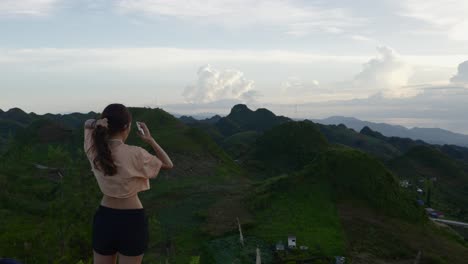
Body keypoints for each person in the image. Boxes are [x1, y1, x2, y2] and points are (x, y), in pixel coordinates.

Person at [84, 103, 173, 264]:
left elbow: (87, 124)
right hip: (132, 221)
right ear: (127, 126)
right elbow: (168, 164)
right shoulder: (136, 153)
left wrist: (95, 124)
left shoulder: (93, 149)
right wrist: (150, 140)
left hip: (104, 219)